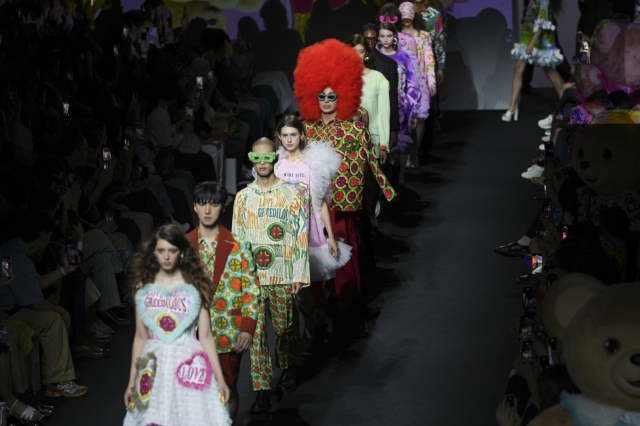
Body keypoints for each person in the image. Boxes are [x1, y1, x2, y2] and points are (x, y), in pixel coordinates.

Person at [293, 38, 396, 305]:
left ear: (343, 95)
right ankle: (316, 310)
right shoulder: (305, 129)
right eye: (321, 96)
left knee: (343, 257)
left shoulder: (354, 129)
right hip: (311, 207)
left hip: (341, 203)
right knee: (313, 257)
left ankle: (347, 307)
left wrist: (381, 192)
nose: (326, 101)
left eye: (332, 96)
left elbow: (368, 164)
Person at [123, 225, 230, 425]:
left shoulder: (195, 285)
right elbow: (140, 336)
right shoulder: (143, 286)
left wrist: (220, 379)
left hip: (189, 365)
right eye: (161, 251)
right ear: (153, 252)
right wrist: (131, 382)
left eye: (172, 251)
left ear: (181, 252)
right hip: (154, 365)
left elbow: (205, 336)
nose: (166, 257)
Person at [232, 138, 310, 413]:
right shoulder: (242, 198)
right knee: (256, 338)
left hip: (283, 274)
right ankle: (262, 390)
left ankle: (288, 367)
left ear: (275, 158)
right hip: (253, 279)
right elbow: (238, 242)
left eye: (266, 158)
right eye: (256, 158)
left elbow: (301, 235)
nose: (262, 163)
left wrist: (299, 273)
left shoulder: (292, 194)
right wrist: (239, 279)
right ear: (252, 159)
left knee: (286, 327)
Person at [186, 181, 260, 421]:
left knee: (226, 390)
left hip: (227, 331)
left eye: (214, 204)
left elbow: (250, 290)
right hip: (188, 335)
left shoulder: (239, 247)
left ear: (223, 207)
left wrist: (247, 328)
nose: (208, 210)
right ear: (195, 207)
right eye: (202, 204)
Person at [0, 210, 90, 398]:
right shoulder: (17, 255)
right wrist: (62, 311)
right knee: (53, 319)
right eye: (48, 235)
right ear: (42, 235)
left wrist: (64, 270)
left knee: (53, 316)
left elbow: (34, 283)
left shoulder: (14, 249)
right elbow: (36, 304)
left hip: (12, 310)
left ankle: (53, 377)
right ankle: (58, 381)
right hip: (9, 314)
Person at [503, 0, 564, 121]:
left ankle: (565, 103)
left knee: (548, 70)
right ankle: (512, 106)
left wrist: (532, 44)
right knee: (518, 68)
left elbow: (542, 22)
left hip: (542, 38)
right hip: (527, 35)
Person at [377, 22, 423, 184]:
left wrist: (413, 110)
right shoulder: (374, 56)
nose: (385, 39)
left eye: (389, 36)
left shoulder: (403, 57)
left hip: (401, 108)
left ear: (395, 37)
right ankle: (384, 181)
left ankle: (400, 178)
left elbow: (412, 83)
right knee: (383, 145)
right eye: (382, 36)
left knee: (400, 144)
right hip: (380, 108)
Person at [399, 2, 437, 168]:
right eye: (404, 16)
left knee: (420, 119)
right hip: (403, 83)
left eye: (409, 15)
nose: (407, 19)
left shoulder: (423, 36)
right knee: (405, 120)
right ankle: (404, 154)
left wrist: (431, 81)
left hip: (420, 81)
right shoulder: (397, 36)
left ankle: (413, 155)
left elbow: (429, 59)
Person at [346, 35, 392, 164]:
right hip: (346, 139)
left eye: (361, 51)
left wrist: (384, 145)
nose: (357, 56)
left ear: (366, 53)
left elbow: (383, 113)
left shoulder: (378, 78)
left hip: (372, 140)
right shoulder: (342, 78)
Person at [362, 23, 401, 153]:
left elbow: (392, 98)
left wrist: (393, 130)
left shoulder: (389, 64)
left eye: (373, 38)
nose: (371, 42)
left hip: (380, 123)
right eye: (367, 39)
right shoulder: (354, 65)